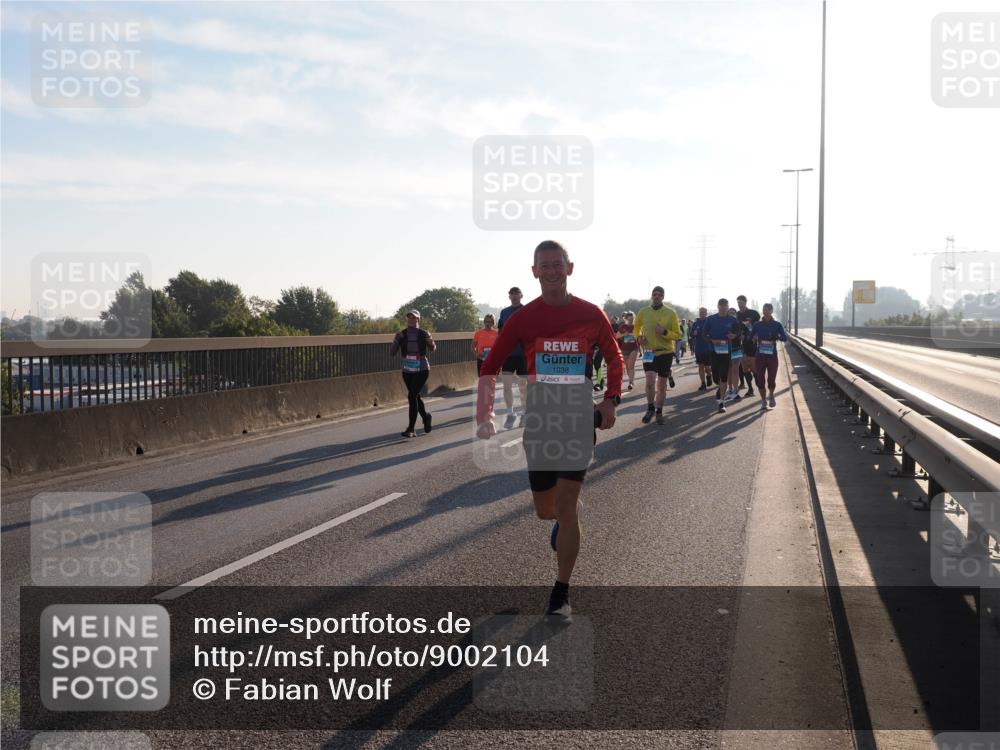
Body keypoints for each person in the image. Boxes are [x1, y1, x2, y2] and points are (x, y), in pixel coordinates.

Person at [476, 240, 623, 622]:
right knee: (547, 511)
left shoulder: (591, 314)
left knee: (568, 506)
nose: (553, 270)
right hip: (540, 421)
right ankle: (560, 517)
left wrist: (610, 400)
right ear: (534, 272)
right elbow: (490, 364)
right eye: (545, 265)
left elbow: (614, 356)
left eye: (558, 264)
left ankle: (561, 593)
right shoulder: (524, 319)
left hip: (576, 420)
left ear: (570, 268)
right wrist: (485, 413)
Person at [634, 286, 681, 425]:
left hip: (665, 353)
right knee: (649, 381)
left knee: (661, 385)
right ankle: (650, 408)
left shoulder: (670, 313)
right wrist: (638, 338)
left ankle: (659, 411)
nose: (657, 296)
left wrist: (665, 332)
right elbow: (636, 327)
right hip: (649, 352)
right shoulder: (643, 312)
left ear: (663, 297)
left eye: (659, 295)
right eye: (654, 294)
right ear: (651, 296)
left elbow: (678, 335)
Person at [390, 311, 436, 437]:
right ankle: (426, 417)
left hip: (422, 369)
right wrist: (396, 340)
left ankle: (411, 429)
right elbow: (392, 352)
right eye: (409, 317)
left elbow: (432, 349)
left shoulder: (423, 333)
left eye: (414, 317)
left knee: (411, 396)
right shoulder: (402, 334)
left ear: (418, 320)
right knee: (415, 396)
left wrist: (430, 341)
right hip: (407, 370)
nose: (411, 319)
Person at [497, 287, 528, 429]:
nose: (514, 296)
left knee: (522, 387)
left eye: (517, 294)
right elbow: (500, 334)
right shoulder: (504, 313)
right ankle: (510, 413)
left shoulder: (526, 310)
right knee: (507, 385)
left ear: (521, 295)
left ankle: (524, 412)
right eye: (512, 294)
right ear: (509, 296)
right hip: (508, 354)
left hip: (522, 354)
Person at [702, 298, 740, 413]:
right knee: (716, 377)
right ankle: (720, 386)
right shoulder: (711, 319)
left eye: (725, 306)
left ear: (728, 307)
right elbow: (704, 334)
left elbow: (738, 331)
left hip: (726, 352)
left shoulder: (732, 320)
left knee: (723, 375)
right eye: (721, 306)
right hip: (713, 351)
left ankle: (722, 403)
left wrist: (734, 335)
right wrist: (712, 340)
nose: (723, 308)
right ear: (718, 306)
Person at [751, 303, 788, 409]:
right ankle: (763, 401)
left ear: (771, 311)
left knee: (771, 381)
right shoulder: (757, 325)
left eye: (767, 310)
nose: (765, 312)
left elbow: (784, 338)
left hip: (772, 357)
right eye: (764, 310)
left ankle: (771, 395)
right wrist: (753, 338)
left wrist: (778, 336)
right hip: (760, 356)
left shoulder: (777, 324)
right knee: (760, 380)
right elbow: (750, 337)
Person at [735, 295, 761, 398]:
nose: (739, 304)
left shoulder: (753, 313)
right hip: (743, 343)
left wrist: (756, 336)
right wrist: (739, 335)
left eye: (740, 302)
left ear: (745, 302)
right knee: (744, 366)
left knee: (753, 366)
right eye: (738, 303)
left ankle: (758, 380)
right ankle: (750, 389)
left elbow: (758, 326)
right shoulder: (737, 314)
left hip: (752, 343)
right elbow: (738, 327)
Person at [688, 308, 713, 391]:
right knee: (700, 367)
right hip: (698, 348)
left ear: (706, 313)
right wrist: (693, 333)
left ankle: (709, 376)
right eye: (700, 312)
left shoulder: (709, 322)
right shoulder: (696, 323)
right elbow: (691, 334)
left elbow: (713, 333)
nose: (701, 313)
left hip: (707, 348)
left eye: (703, 312)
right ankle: (703, 383)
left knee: (707, 367)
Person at [615, 310, 639, 390]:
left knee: (631, 365)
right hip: (624, 349)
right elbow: (616, 336)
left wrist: (637, 337)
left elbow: (640, 336)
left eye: (632, 319)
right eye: (629, 319)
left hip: (634, 348)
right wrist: (624, 334)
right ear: (626, 319)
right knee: (628, 367)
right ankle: (631, 380)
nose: (631, 321)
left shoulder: (636, 327)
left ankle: (631, 382)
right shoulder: (623, 327)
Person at [725, 308, 744, 403]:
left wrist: (737, 335)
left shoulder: (738, 323)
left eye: (733, 313)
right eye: (730, 313)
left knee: (735, 369)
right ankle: (730, 388)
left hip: (736, 349)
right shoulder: (724, 323)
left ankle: (736, 390)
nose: (732, 314)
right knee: (729, 369)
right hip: (726, 350)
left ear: (736, 314)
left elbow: (744, 333)